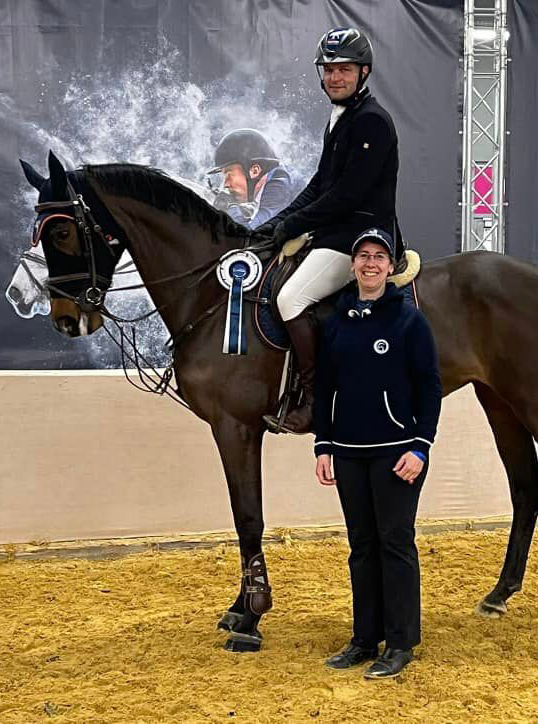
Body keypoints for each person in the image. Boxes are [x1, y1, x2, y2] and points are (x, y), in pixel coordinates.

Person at [257, 27, 402, 434]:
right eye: (329, 70)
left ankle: (316, 402)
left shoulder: (372, 122)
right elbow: (320, 185)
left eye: (344, 69)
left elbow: (346, 196)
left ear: (364, 72)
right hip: (333, 232)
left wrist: (293, 224)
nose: (334, 77)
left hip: (359, 237)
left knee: (290, 298)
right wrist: (274, 225)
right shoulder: (341, 118)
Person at [314, 228, 442, 679]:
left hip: (396, 455)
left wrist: (420, 447)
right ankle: (364, 639)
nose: (370, 264)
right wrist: (323, 445)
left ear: (391, 268)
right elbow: (325, 387)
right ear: (353, 265)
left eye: (379, 257)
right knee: (361, 547)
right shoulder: (336, 320)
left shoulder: (408, 319)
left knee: (395, 544)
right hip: (347, 454)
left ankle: (401, 642)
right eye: (363, 256)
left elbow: (430, 386)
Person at [207, 128, 295, 229]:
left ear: (255, 171)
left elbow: (249, 234)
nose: (226, 184)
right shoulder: (265, 181)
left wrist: (230, 206)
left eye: (229, 175)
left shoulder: (279, 187)